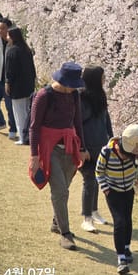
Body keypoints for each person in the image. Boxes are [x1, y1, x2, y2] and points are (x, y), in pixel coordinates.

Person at [29, 62, 90, 251]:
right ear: (63, 81)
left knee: (64, 188)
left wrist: (83, 148)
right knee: (60, 192)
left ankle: (57, 222)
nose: (75, 87)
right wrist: (35, 156)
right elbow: (34, 127)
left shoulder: (74, 95)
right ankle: (65, 234)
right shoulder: (44, 96)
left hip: (70, 146)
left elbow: (77, 121)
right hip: (50, 148)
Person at [96, 124, 138, 275]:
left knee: (127, 220)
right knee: (119, 222)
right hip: (113, 191)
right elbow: (99, 172)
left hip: (128, 191)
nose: (124, 156)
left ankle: (127, 248)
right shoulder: (106, 151)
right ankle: (121, 258)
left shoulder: (135, 152)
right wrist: (106, 189)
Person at [78, 66, 113, 233]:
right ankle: (87, 218)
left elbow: (106, 118)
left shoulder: (101, 96)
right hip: (87, 147)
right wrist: (81, 147)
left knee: (98, 178)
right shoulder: (82, 98)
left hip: (101, 144)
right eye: (102, 77)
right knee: (89, 180)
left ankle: (94, 211)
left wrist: (111, 139)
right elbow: (77, 125)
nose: (104, 79)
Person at [5, 26, 36, 145]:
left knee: (19, 113)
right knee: (28, 112)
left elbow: (9, 70)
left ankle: (23, 137)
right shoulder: (26, 49)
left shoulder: (12, 51)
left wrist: (8, 83)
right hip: (28, 85)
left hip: (17, 87)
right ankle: (29, 135)